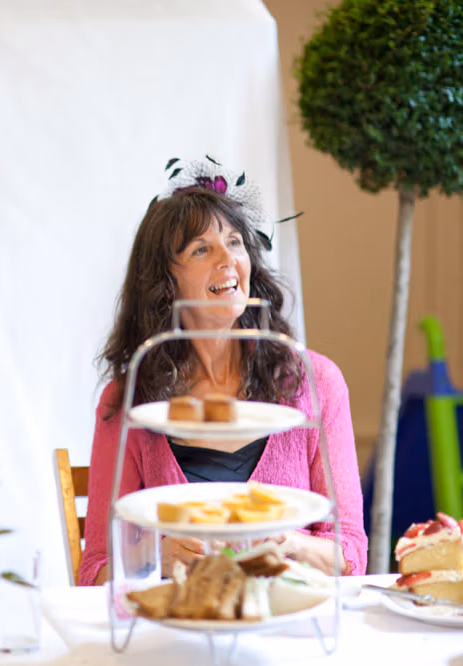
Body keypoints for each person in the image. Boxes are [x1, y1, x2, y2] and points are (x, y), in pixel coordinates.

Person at [78, 159, 366, 586]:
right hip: (179, 636)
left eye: (234, 242)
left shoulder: (315, 382)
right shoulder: (129, 401)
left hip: (286, 632)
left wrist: (290, 545)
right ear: (165, 282)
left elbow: (352, 554)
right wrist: (155, 554)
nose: (228, 258)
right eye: (201, 248)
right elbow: (95, 570)